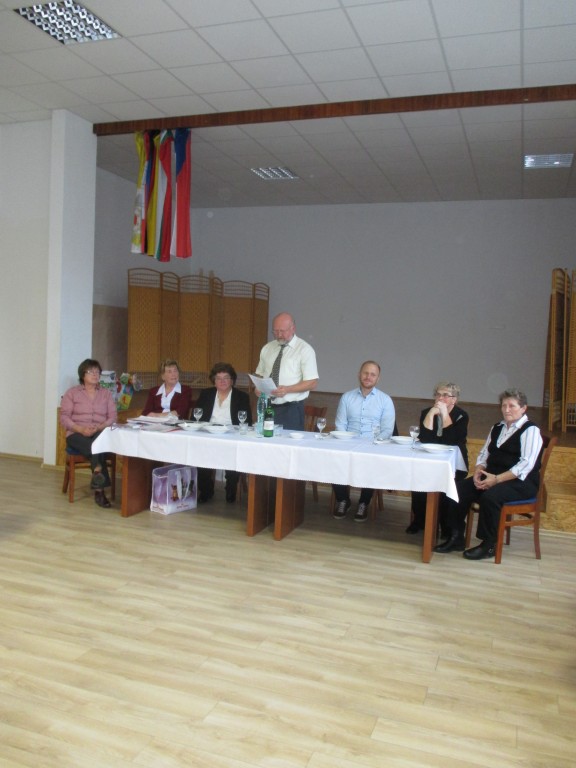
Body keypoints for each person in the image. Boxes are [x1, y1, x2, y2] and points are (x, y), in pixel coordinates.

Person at [435, 388, 543, 561]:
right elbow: (484, 454)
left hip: (521, 482)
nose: (506, 409)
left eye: (512, 406)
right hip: (492, 476)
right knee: (458, 489)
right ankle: (456, 537)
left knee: (490, 497)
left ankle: (489, 544)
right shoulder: (497, 427)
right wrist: (479, 471)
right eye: (504, 406)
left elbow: (525, 465)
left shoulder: (530, 430)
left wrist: (497, 479)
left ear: (523, 408)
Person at [332, 361, 395, 523]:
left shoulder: (385, 400)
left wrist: (374, 444)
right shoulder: (347, 397)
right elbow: (340, 424)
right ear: (359, 375)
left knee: (372, 462)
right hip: (348, 443)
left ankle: (364, 503)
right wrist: (346, 442)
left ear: (378, 379)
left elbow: (387, 430)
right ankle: (343, 500)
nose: (368, 377)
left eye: (373, 374)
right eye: (365, 373)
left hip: (373, 445)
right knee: (333, 459)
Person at [406, 381, 469, 535]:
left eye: (446, 395)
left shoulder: (461, 416)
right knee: (419, 482)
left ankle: (446, 526)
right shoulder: (427, 412)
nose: (440, 398)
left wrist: (445, 414)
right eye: (438, 395)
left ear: (454, 399)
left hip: (454, 464)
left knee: (448, 488)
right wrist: (430, 415)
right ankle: (420, 520)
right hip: (430, 460)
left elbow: (451, 440)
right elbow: (425, 439)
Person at [60, 358, 117, 508]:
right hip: (76, 434)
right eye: (91, 371)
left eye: (97, 372)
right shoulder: (72, 393)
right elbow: (64, 417)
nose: (95, 374)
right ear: (82, 375)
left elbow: (112, 417)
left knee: (98, 441)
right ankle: (99, 489)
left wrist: (99, 427)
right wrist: (80, 429)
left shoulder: (106, 394)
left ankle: (99, 487)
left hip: (100, 432)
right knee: (97, 447)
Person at [195, 362, 253, 503]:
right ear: (213, 381)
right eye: (218, 378)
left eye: (226, 378)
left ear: (232, 380)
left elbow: (247, 422)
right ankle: (206, 490)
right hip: (209, 434)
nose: (222, 381)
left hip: (231, 436)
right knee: (199, 452)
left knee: (233, 453)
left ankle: (231, 489)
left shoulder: (241, 397)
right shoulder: (206, 394)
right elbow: (195, 418)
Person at [255, 312, 318, 431]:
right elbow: (260, 373)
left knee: (287, 442)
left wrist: (288, 389)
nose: (279, 335)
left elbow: (312, 383)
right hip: (267, 406)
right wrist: (258, 386)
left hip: (291, 409)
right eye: (275, 331)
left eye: (282, 331)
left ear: (293, 328)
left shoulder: (304, 350)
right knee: (265, 439)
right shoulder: (267, 348)